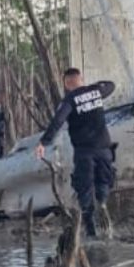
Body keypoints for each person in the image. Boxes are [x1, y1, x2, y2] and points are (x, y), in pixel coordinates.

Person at [35, 69, 116, 237]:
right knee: (104, 180)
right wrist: (94, 86)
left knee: (84, 188)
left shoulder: (69, 100)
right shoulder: (96, 91)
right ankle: (102, 202)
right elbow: (111, 85)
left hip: (84, 151)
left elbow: (58, 121)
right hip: (104, 148)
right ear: (81, 79)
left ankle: (91, 230)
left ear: (66, 84)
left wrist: (44, 142)